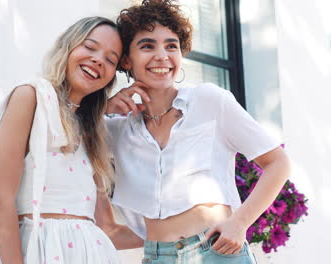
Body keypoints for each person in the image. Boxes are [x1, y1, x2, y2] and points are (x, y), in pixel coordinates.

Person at [105, 0, 292, 263]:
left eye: (172, 46)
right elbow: (63, 136)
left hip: (216, 251)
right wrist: (103, 108)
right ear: (126, 59)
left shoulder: (209, 100)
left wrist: (240, 222)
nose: (162, 56)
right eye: (147, 46)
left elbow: (278, 162)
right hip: (158, 257)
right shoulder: (116, 127)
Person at [0, 16, 142, 264]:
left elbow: (109, 228)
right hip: (36, 253)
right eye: (90, 47)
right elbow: (1, 199)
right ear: (68, 46)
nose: (98, 60)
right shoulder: (30, 97)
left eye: (110, 59)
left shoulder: (93, 132)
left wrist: (181, 231)